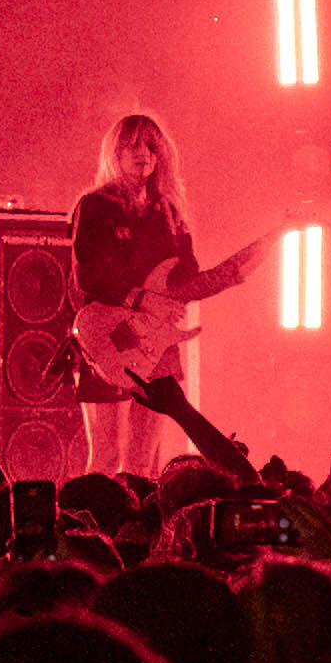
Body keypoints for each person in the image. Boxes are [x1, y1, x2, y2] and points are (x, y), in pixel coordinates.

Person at [74, 116, 250, 483]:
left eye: (151, 147)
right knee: (105, 457)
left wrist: (235, 271)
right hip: (108, 336)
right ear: (115, 152)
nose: (144, 154)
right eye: (134, 146)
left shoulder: (168, 209)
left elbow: (188, 273)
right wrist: (140, 299)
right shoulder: (95, 206)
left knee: (142, 463)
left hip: (157, 340)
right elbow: (87, 274)